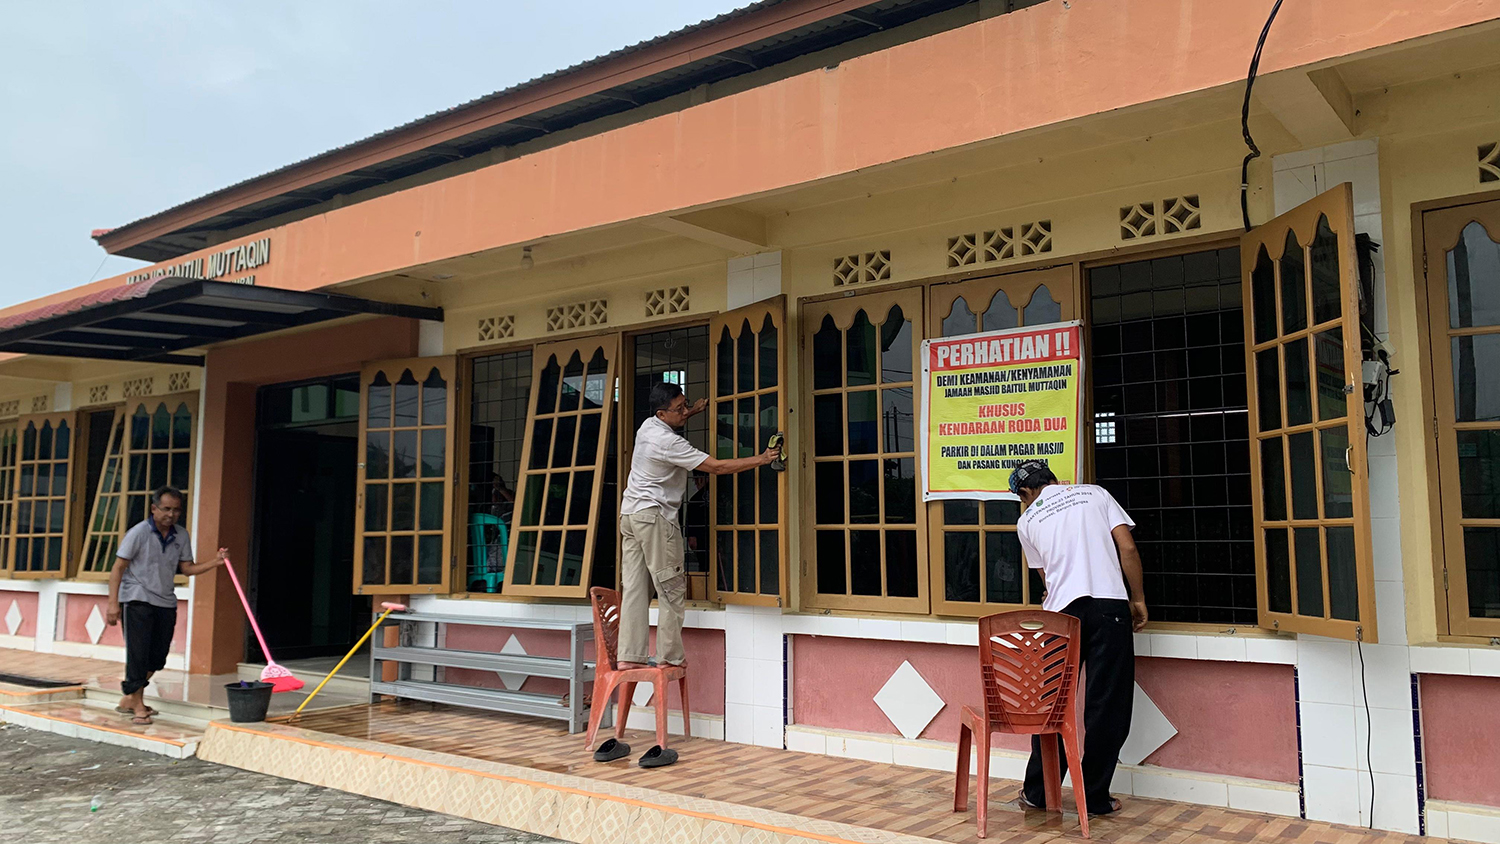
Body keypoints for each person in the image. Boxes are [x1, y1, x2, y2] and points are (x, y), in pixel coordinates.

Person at [605, 382, 772, 763]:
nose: (684, 411)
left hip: (629, 517)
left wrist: (694, 411)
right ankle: (669, 657)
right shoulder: (669, 443)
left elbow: (674, 420)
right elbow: (713, 466)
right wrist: (761, 459)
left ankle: (630, 655)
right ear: (663, 414)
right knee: (670, 590)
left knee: (634, 591)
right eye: (679, 409)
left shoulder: (647, 427)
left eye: (685, 406)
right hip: (654, 519)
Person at [1008, 459, 1147, 817]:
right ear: (1054, 479)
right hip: (1108, 606)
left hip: (1060, 617)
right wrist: (1138, 599)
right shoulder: (1096, 493)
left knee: (1052, 706)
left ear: (1025, 493)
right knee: (1107, 706)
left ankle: (1040, 793)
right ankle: (1095, 797)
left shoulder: (1027, 520)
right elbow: (1127, 549)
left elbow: (1046, 577)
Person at [106, 486, 228, 725]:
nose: (170, 515)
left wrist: (215, 562)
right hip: (137, 598)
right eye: (166, 509)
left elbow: (187, 569)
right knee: (138, 653)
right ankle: (138, 703)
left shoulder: (181, 535)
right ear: (154, 508)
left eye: (176, 510)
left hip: (165, 600)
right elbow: (118, 567)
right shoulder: (138, 532)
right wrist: (113, 604)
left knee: (158, 656)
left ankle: (130, 698)